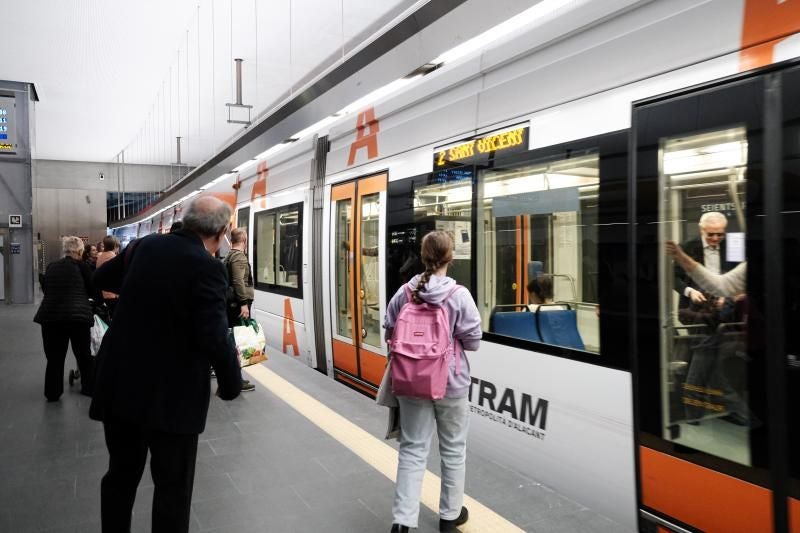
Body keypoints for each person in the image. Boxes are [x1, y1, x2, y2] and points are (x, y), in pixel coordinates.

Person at [91, 196, 242, 533]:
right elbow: (215, 336)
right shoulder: (209, 268)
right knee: (172, 487)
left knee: (120, 475)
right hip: (172, 397)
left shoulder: (145, 247)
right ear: (220, 232)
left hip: (120, 385)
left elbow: (101, 279)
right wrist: (231, 385)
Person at [384, 230, 482, 533]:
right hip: (451, 383)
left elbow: (389, 331)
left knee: (413, 449)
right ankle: (450, 517)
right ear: (450, 258)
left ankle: (402, 521)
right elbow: (474, 340)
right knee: (453, 448)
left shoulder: (405, 292)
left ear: (423, 257)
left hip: (411, 381)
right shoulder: (459, 295)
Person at [33, 236, 96, 401]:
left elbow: (46, 288)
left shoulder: (52, 266)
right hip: (78, 318)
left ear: (65, 251)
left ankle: (53, 393)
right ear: (80, 251)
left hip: (51, 317)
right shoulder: (83, 267)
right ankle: (89, 388)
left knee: (54, 357)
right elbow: (92, 290)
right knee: (83, 355)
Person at [674, 212, 736, 319]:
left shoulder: (732, 246)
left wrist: (728, 296)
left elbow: (739, 277)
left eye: (720, 234)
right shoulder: (686, 247)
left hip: (727, 310)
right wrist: (690, 292)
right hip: (696, 312)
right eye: (710, 234)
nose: (715, 238)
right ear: (701, 230)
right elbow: (672, 277)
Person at [224, 227, 256, 392]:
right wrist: (243, 303)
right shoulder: (239, 257)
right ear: (244, 240)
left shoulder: (229, 255)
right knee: (238, 341)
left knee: (233, 339)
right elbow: (238, 281)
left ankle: (232, 376)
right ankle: (236, 379)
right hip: (238, 304)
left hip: (232, 303)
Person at [95, 236, 120, 320]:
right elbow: (117, 277)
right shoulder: (113, 257)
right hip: (111, 293)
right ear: (115, 246)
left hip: (102, 292)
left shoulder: (100, 257)